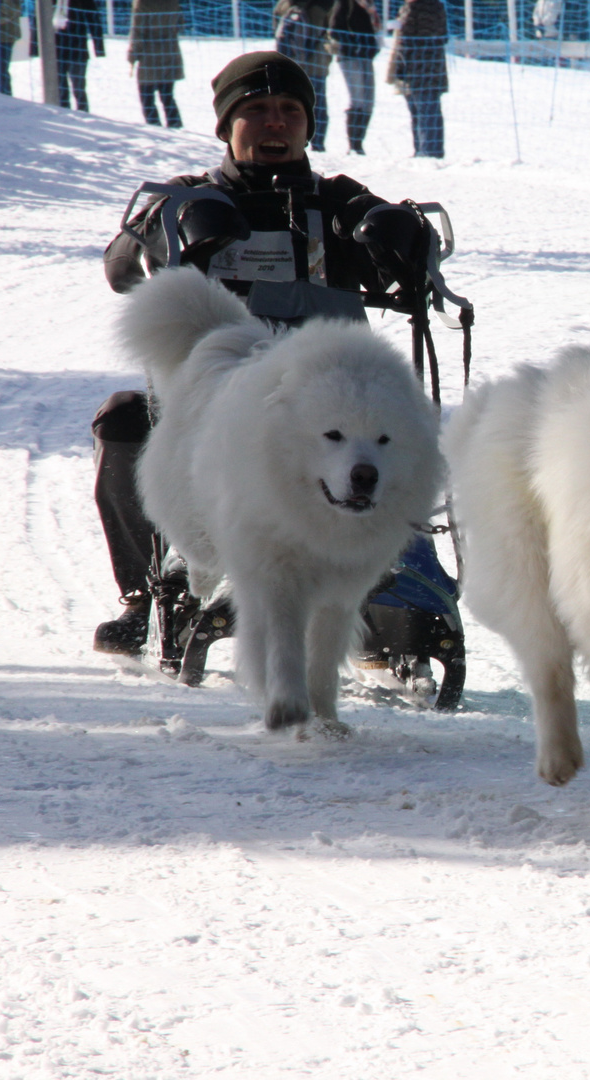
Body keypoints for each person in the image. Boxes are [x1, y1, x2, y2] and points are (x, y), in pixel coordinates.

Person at [92, 52, 412, 664]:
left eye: (290, 111)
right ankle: (146, 593)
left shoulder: (341, 204)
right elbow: (119, 269)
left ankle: (382, 598)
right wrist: (172, 231)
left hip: (325, 413)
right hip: (207, 408)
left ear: (307, 124)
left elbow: (406, 266)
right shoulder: (187, 196)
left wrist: (400, 240)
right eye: (256, 111)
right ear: (226, 125)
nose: (275, 124)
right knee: (124, 420)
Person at [389, 0, 449, 158]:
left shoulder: (412, 7)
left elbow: (405, 38)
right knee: (432, 110)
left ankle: (425, 152)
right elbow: (444, 36)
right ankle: (434, 151)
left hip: (416, 67)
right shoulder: (437, 6)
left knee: (420, 111)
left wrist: (399, 67)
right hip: (435, 66)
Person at [274, 0, 336, 153]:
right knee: (318, 103)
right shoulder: (324, 5)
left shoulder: (284, 4)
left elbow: (277, 29)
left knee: (291, 103)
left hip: (290, 63)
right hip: (316, 62)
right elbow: (333, 29)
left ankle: (292, 140)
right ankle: (318, 143)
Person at [329, 0, 381, 154]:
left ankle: (360, 141)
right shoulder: (344, 4)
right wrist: (352, 44)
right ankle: (354, 144)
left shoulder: (370, 8)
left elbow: (375, 30)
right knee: (357, 99)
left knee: (368, 101)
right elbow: (334, 30)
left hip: (366, 57)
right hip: (349, 57)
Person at [129, 0, 184, 128]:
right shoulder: (173, 2)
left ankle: (154, 127)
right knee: (167, 95)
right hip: (170, 52)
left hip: (149, 56)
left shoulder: (142, 3)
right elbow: (180, 23)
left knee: (146, 96)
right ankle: (175, 125)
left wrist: (133, 55)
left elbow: (137, 32)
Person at [54, 0, 106, 112]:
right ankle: (64, 116)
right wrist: (35, 47)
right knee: (60, 89)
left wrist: (99, 48)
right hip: (55, 50)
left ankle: (84, 114)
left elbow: (94, 21)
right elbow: (38, 19)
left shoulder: (83, 2)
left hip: (78, 50)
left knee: (79, 88)